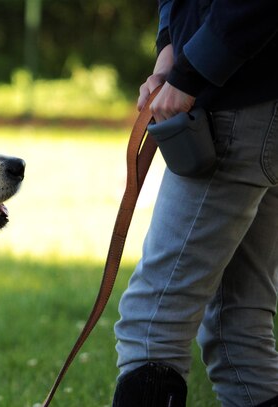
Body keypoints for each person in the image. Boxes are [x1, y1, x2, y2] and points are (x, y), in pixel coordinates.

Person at [112, 0, 278, 406]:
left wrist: (189, 74)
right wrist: (170, 45)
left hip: (235, 101)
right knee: (237, 324)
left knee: (151, 325)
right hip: (257, 97)